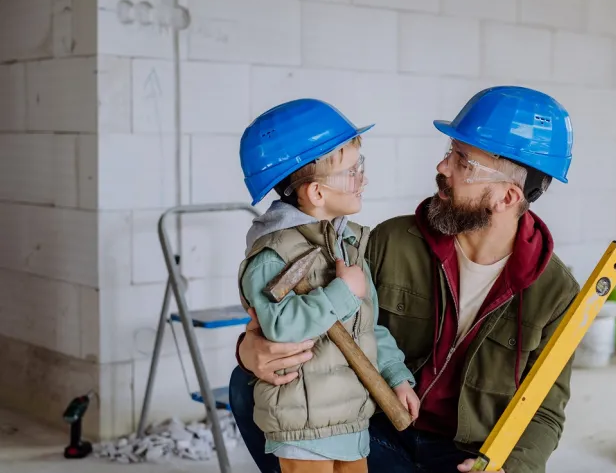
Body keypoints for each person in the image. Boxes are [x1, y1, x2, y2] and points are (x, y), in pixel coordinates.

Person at [231, 86, 580, 473]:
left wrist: (507, 469)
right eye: (450, 151)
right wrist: (249, 353)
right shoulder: (389, 241)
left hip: (461, 456)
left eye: (462, 162)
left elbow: (545, 413)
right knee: (244, 390)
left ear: (508, 197)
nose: (442, 168)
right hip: (377, 429)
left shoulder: (555, 292)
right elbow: (317, 324)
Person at [236, 98, 419, 473]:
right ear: (317, 193)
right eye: (353, 171)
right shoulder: (273, 254)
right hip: (301, 421)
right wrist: (341, 293)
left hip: (350, 415)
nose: (362, 179)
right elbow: (281, 327)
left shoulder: (347, 244)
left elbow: (367, 327)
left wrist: (395, 375)